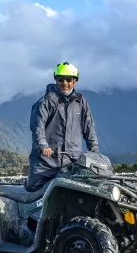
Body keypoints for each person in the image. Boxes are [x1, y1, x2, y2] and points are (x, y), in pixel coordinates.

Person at [25, 62, 99, 191]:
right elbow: (38, 126)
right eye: (60, 79)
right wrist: (43, 145)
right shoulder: (47, 101)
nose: (64, 83)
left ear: (74, 81)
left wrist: (95, 153)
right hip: (46, 162)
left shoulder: (80, 102)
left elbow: (89, 128)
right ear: (56, 80)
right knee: (33, 191)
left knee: (72, 195)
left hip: (72, 161)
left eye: (68, 79)